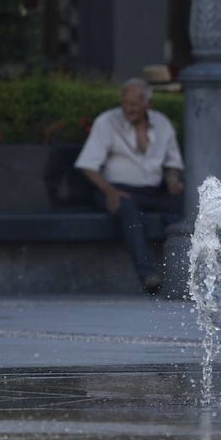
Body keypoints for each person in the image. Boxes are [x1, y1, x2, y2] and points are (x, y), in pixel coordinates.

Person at [75, 78, 185, 295]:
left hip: (154, 190)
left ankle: (182, 273)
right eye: (124, 103)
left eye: (134, 104)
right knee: (128, 212)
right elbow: (88, 166)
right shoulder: (106, 122)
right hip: (116, 189)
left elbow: (172, 164)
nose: (128, 108)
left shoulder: (162, 124)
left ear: (148, 104)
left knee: (181, 209)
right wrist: (109, 191)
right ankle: (148, 276)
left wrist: (172, 181)